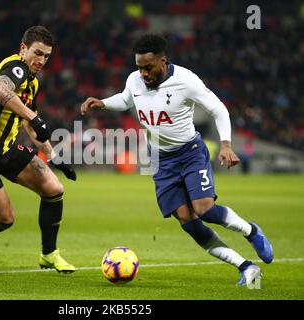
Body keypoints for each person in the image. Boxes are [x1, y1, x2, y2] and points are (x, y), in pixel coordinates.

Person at [81, 34, 273, 287]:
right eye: (139, 67)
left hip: (189, 153)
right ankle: (245, 267)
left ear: (163, 61)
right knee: (188, 221)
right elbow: (126, 99)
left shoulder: (186, 81)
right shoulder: (134, 80)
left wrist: (226, 145)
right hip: (160, 160)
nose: (143, 74)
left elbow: (218, 109)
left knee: (204, 209)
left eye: (148, 68)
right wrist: (103, 103)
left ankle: (251, 231)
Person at [0, 26, 76, 275]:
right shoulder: (14, 67)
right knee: (4, 219)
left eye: (46, 56)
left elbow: (32, 126)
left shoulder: (32, 84)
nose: (41, 61)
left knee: (54, 189)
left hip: (6, 150)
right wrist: (34, 117)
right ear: (23, 49)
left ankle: (49, 254)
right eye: (37, 53)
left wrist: (55, 157)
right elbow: (1, 91)